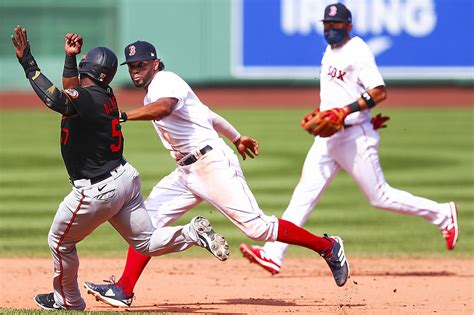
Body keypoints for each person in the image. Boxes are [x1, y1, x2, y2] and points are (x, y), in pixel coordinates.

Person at [83, 39, 350, 307]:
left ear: (155, 63)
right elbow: (208, 115)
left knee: (257, 228)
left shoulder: (165, 81)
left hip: (211, 165)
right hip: (186, 172)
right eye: (131, 66)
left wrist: (125, 116)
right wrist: (237, 137)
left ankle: (328, 247)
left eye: (141, 64)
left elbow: (165, 107)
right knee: (147, 225)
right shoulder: (155, 88)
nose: (136, 70)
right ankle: (124, 289)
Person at [11, 26, 229, 311]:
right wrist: (70, 59)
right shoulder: (102, 95)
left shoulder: (87, 100)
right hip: (125, 180)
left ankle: (68, 300)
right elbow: (72, 91)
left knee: (60, 241)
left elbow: (56, 98)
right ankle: (191, 233)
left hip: (97, 190)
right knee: (146, 243)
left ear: (90, 69)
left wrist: (28, 63)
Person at [239, 2, 459, 275]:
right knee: (303, 195)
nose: (331, 29)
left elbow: (378, 92)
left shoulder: (358, 51)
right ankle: (274, 254)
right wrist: (329, 112)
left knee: (380, 196)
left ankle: (443, 214)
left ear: (349, 26)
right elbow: (341, 93)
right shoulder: (330, 51)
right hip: (329, 138)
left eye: (336, 24)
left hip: (354, 137)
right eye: (327, 25)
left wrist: (349, 113)